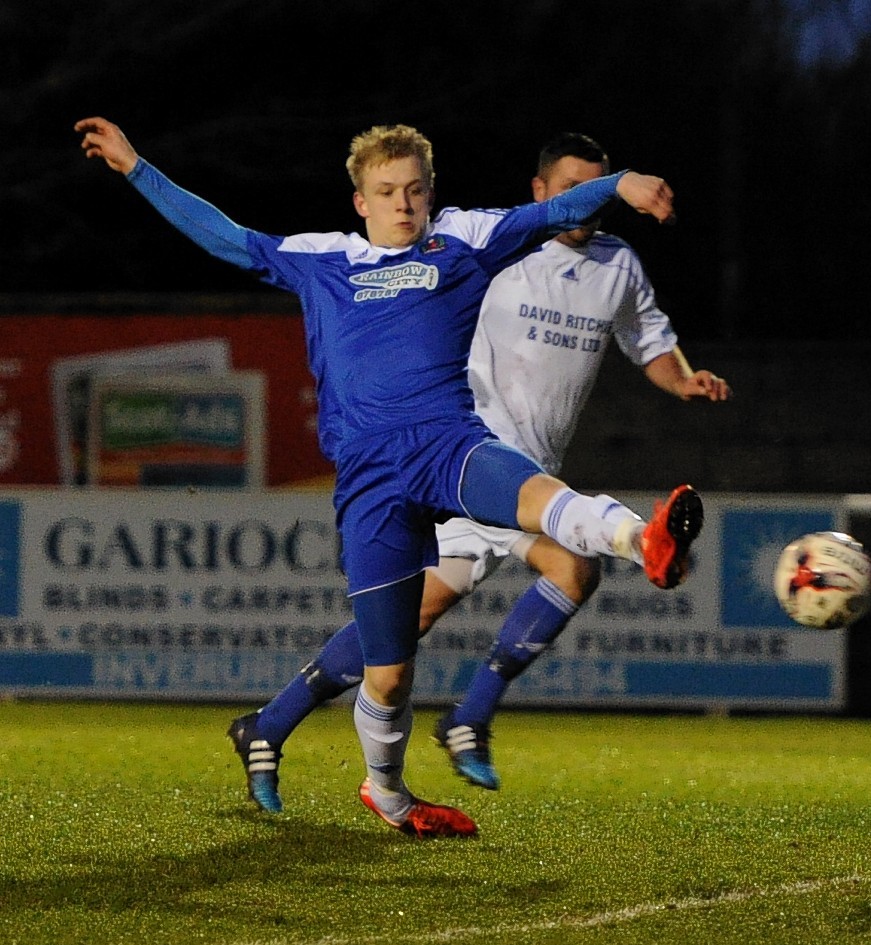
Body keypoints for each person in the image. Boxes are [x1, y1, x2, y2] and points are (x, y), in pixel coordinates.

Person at [78, 117, 705, 839]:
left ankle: (642, 540)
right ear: (360, 202)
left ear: (429, 193)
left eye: (413, 190)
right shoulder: (323, 260)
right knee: (390, 674)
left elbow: (549, 212)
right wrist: (135, 168)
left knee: (537, 497)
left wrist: (618, 186)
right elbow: (224, 235)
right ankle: (389, 794)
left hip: (447, 443)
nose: (402, 204)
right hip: (371, 481)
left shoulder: (462, 242)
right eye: (386, 192)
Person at [223, 132, 731, 814]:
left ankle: (279, 725)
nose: (587, 205)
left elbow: (650, 344)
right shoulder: (484, 247)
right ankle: (465, 718)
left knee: (410, 629)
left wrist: (684, 381)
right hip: (455, 460)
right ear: (542, 192)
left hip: (506, 462)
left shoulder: (616, 266)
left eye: (597, 189)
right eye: (574, 189)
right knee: (562, 570)